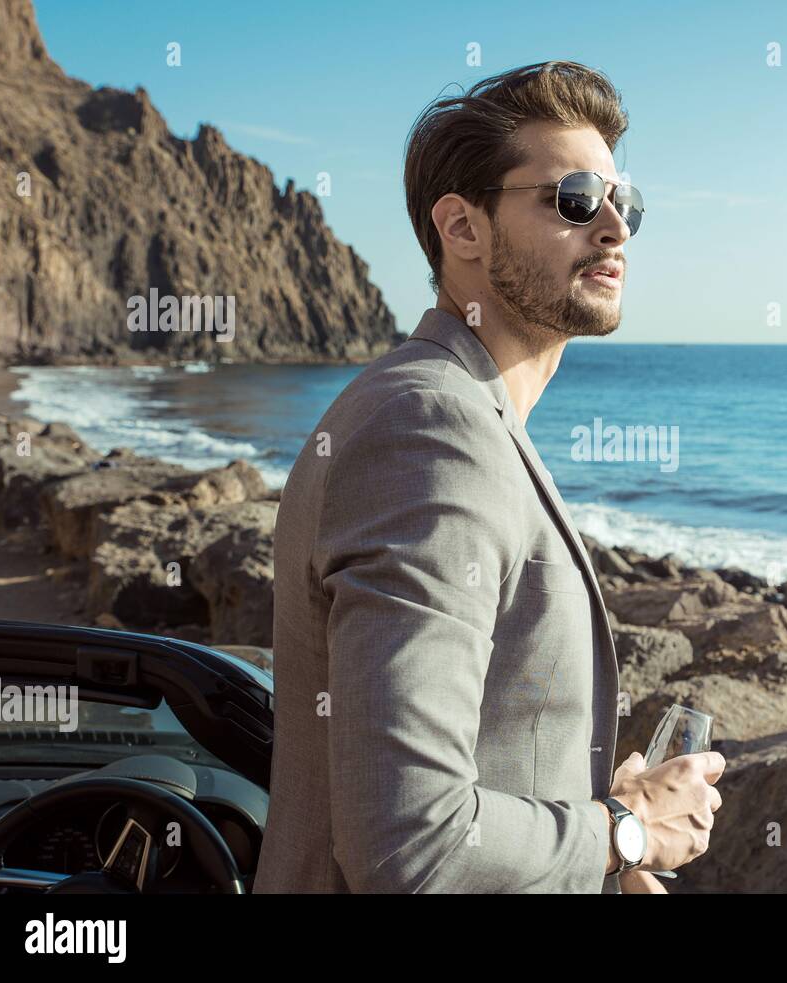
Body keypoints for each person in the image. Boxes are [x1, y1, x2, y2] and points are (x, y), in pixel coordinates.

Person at [254, 61, 723, 894]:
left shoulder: (450, 410)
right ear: (463, 228)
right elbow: (408, 841)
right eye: (575, 198)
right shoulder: (430, 430)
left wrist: (589, 816)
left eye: (626, 203)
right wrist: (626, 830)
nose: (614, 226)